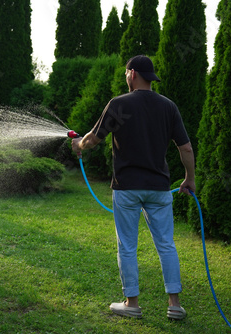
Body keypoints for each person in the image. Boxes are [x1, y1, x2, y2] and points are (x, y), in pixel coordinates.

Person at [71, 55, 195, 320]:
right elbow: (185, 147)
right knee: (166, 245)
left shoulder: (120, 104)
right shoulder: (168, 106)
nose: (126, 76)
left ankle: (132, 304)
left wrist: (79, 145)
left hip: (126, 188)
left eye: (127, 73)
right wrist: (189, 178)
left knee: (127, 246)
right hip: (159, 187)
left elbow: (93, 139)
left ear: (132, 74)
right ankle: (174, 304)